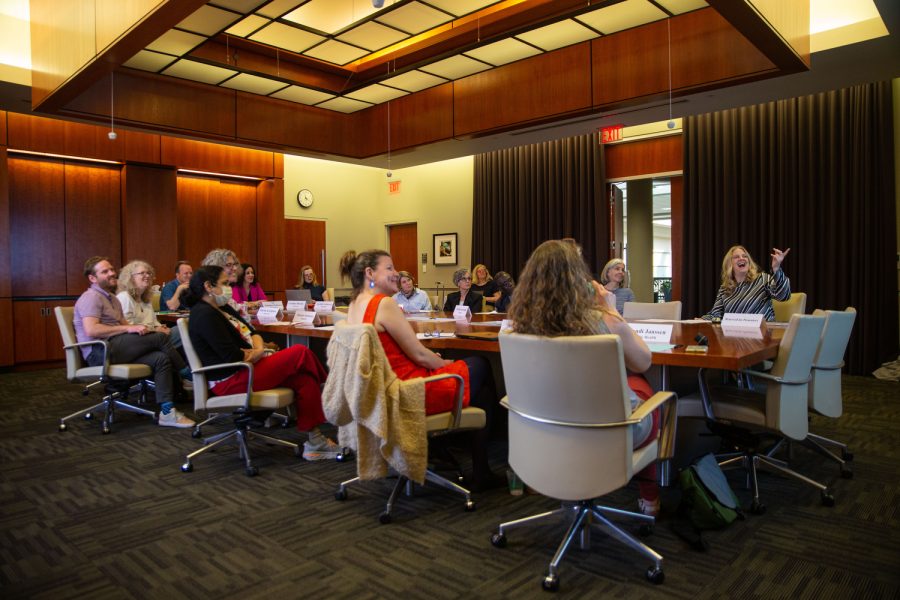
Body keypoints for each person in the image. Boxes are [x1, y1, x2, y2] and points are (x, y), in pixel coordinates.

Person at [508, 240, 661, 516]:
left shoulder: (519, 329)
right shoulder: (602, 321)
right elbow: (644, 360)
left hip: (547, 431)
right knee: (643, 387)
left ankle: (567, 484)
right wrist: (610, 310)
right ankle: (649, 496)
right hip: (607, 434)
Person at [339, 250, 501, 490]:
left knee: (478, 382)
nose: (396, 274)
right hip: (410, 392)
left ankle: (441, 451)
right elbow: (420, 355)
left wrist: (430, 359)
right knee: (480, 364)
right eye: (390, 268)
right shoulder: (384, 304)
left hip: (381, 393)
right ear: (370, 273)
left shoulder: (353, 306)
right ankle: (476, 468)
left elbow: (390, 352)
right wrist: (445, 364)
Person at [184, 265, 339, 460]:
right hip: (231, 378)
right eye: (224, 283)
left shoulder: (221, 307)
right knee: (300, 352)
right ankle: (333, 392)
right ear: (208, 286)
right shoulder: (204, 314)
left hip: (248, 367)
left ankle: (315, 443)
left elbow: (252, 331)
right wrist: (258, 352)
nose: (229, 287)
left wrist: (256, 350)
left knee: (304, 378)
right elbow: (234, 357)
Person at [73, 256, 194, 428]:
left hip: (118, 347)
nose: (111, 273)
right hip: (100, 352)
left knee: (160, 358)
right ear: (92, 278)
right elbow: (91, 330)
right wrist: (128, 329)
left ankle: (168, 412)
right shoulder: (91, 297)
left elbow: (127, 326)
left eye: (112, 269)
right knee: (160, 338)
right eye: (105, 271)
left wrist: (136, 328)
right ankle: (187, 375)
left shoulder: (112, 299)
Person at [702, 245, 791, 322]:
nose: (741, 258)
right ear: (729, 264)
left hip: (763, 335)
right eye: (736, 257)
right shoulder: (725, 288)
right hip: (734, 336)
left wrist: (776, 268)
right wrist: (701, 320)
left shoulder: (763, 279)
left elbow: (783, 296)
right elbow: (715, 314)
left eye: (745, 256)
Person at [117, 260, 169, 334]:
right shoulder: (124, 297)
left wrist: (160, 327)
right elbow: (127, 327)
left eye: (148, 273)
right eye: (142, 273)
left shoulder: (146, 299)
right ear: (130, 277)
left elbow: (154, 323)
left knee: (180, 330)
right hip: (135, 338)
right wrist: (155, 330)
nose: (147, 276)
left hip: (152, 336)